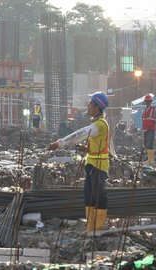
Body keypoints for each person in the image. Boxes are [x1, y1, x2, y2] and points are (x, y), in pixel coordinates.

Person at [48, 92, 110, 232]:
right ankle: (90, 227)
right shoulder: (96, 124)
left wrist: (60, 143)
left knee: (98, 197)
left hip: (99, 166)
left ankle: (97, 228)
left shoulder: (99, 125)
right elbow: (94, 143)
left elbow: (81, 134)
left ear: (97, 107)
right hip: (92, 164)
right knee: (89, 197)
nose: (88, 106)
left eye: (90, 104)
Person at [141, 93, 156, 164]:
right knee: (146, 144)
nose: (147, 102)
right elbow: (143, 119)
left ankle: (151, 160)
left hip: (151, 129)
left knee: (149, 144)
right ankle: (149, 159)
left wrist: (155, 120)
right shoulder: (144, 110)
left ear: (151, 102)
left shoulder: (154, 109)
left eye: (148, 101)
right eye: (146, 101)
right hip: (145, 129)